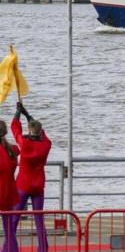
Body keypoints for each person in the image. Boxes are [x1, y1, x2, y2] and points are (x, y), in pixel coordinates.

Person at [9, 102, 51, 252]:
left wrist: (17, 113)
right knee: (39, 219)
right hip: (38, 185)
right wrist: (27, 114)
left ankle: (9, 246)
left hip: (23, 185)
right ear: (40, 132)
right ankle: (43, 248)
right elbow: (42, 133)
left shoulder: (24, 143)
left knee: (14, 217)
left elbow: (15, 130)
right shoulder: (46, 145)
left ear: (29, 131)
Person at [0, 120, 19, 252]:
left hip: (1, 191)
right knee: (9, 230)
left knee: (9, 231)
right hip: (10, 192)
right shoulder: (11, 150)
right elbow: (18, 148)